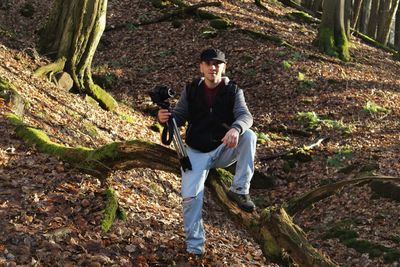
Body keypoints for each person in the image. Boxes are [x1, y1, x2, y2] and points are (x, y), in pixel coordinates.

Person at [157, 48, 257, 255]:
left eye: (217, 63)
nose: (213, 67)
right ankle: (195, 248)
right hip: (195, 151)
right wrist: (165, 118)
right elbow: (179, 116)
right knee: (190, 198)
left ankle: (239, 189)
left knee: (249, 136)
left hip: (223, 149)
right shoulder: (192, 89)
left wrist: (235, 129)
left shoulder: (233, 90)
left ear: (224, 67)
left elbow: (246, 116)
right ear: (201, 67)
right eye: (208, 63)